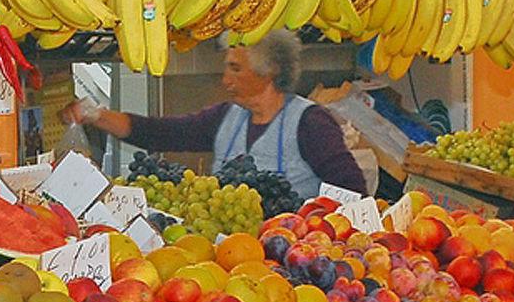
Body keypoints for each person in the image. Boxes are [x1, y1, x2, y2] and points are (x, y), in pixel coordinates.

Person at [60, 32, 369, 200]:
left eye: (235, 69)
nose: (225, 80)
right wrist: (94, 114)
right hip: (230, 257)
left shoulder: (310, 123)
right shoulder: (226, 117)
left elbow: (352, 189)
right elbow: (159, 132)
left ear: (269, 71)